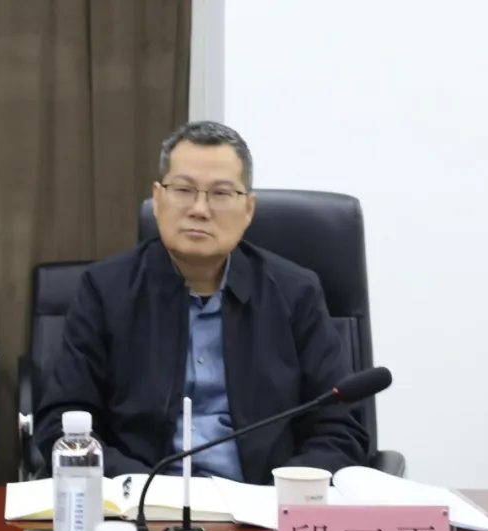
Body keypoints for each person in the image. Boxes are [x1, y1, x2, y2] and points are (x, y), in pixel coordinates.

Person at [33, 121, 368, 485]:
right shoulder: (105, 290)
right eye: (183, 190)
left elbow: (340, 430)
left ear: (248, 209)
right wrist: (141, 488)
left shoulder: (296, 294)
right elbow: (62, 422)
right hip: (139, 502)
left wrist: (281, 493)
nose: (199, 209)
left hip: (260, 503)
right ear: (158, 199)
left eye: (221, 193)